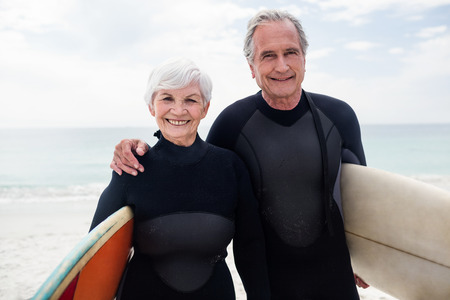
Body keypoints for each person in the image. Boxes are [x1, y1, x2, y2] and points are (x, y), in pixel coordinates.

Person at [111, 9, 369, 299]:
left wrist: (371, 259)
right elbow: (190, 169)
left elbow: (361, 197)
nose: (281, 66)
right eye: (268, 55)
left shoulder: (339, 116)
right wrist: (137, 150)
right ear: (251, 66)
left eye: (290, 53)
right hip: (270, 286)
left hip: (338, 284)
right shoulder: (232, 124)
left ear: (304, 59)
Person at [90, 57, 270, 300]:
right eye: (167, 98)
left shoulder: (230, 167)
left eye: (190, 100)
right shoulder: (132, 168)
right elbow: (96, 252)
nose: (178, 109)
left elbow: (251, 247)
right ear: (151, 107)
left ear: (205, 108)